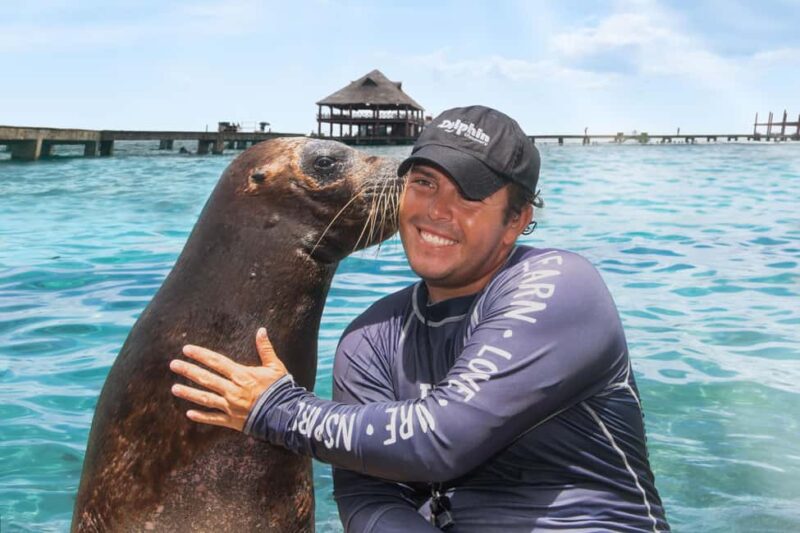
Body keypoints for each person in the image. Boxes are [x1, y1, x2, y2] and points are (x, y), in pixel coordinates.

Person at [170, 105, 670, 532]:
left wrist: (278, 411)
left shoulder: (559, 284)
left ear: (516, 220)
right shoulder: (370, 337)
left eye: (469, 195)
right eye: (424, 183)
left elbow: (442, 437)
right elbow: (369, 496)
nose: (437, 211)